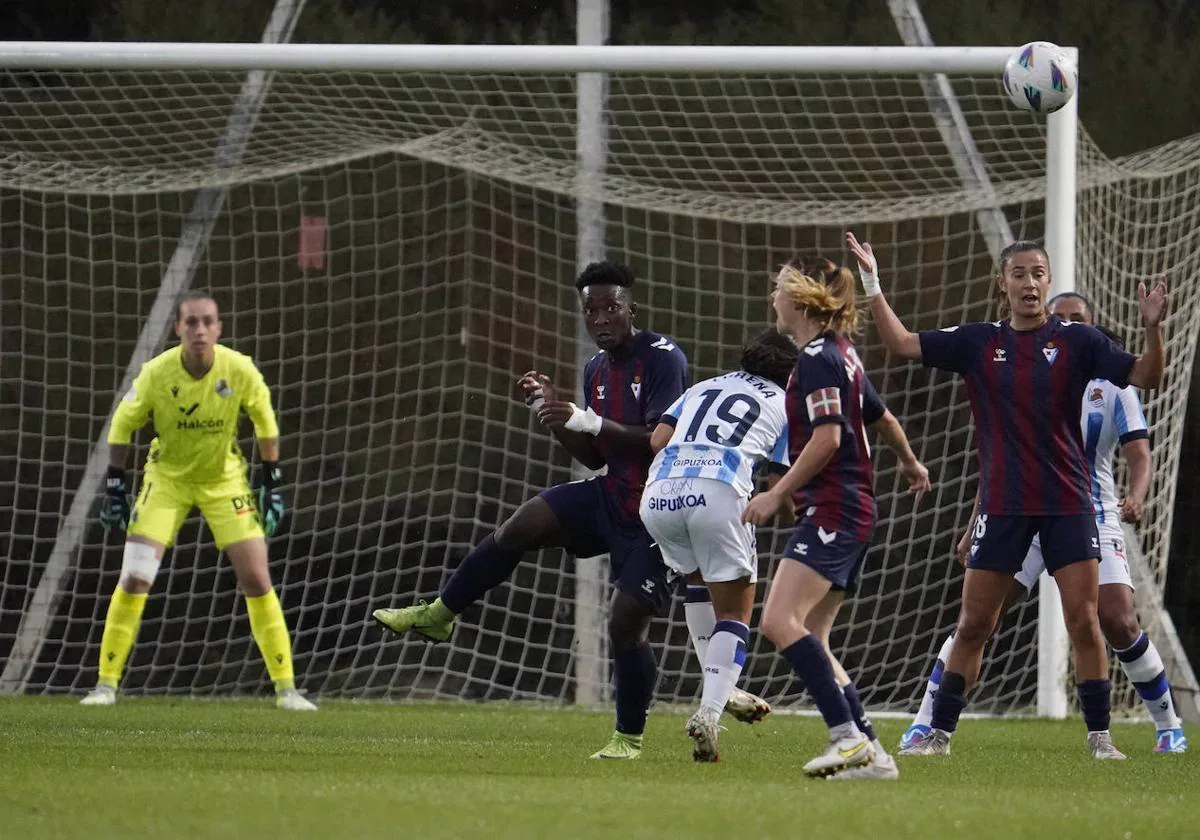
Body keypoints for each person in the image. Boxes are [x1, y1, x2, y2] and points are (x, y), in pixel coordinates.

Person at [373, 261, 770, 759]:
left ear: (632, 309)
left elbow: (657, 442)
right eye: (591, 310)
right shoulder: (595, 368)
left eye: (611, 308)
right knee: (522, 525)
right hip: (610, 494)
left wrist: (586, 418)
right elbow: (596, 455)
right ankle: (440, 613)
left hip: (657, 507)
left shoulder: (663, 357)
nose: (601, 318)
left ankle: (627, 739)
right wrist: (555, 417)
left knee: (624, 628)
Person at [855, 231, 1167, 759]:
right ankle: (938, 735)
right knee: (975, 623)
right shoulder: (979, 341)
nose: (1029, 283)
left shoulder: (1077, 341)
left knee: (1085, 622)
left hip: (1069, 504)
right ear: (1002, 283)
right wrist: (872, 282)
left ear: (1048, 281)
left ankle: (1101, 739)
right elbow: (902, 343)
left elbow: (1146, 374)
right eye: (1018, 274)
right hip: (1001, 507)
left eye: (1038, 274)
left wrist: (1153, 327)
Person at [739, 256, 931, 780]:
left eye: (778, 289)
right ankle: (873, 753)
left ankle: (845, 739)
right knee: (815, 636)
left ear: (799, 300)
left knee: (779, 622)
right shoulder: (842, 353)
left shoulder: (820, 358)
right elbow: (882, 417)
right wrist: (911, 463)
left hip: (834, 509)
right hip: (852, 509)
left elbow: (829, 438)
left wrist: (776, 493)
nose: (772, 299)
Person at [81, 290, 316, 711]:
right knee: (135, 576)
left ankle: (287, 689)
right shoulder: (157, 373)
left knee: (257, 579)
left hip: (223, 479)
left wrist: (272, 481)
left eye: (208, 321)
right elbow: (121, 424)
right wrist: (116, 483)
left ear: (219, 328)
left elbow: (265, 421)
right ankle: (105, 685)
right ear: (178, 329)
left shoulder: (238, 369)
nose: (200, 330)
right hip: (167, 478)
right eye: (191, 322)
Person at [640, 328, 798, 762]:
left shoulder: (702, 387)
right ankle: (709, 712)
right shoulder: (786, 403)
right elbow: (778, 480)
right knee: (735, 612)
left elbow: (657, 440)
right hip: (719, 490)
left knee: (697, 581)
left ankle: (720, 689)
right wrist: (790, 513)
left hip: (660, 493)